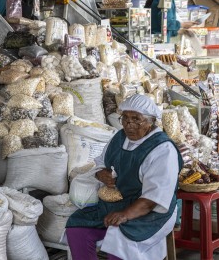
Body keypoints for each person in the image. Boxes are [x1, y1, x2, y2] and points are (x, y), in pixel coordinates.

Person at [65, 94, 183, 260]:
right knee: (77, 226)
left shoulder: (163, 150)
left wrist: (125, 214)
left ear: (150, 122)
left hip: (150, 211)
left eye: (136, 119)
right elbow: (101, 161)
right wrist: (102, 174)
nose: (129, 124)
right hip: (118, 203)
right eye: (125, 118)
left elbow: (153, 198)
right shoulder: (119, 137)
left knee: (119, 239)